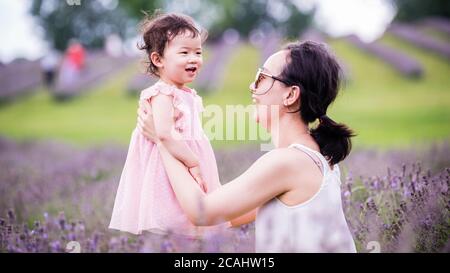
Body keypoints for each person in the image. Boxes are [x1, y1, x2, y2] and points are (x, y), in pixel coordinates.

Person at [137, 40, 358, 252]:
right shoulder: (316, 158)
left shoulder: (288, 162)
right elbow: (221, 218)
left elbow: (201, 213)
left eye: (262, 77)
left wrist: (163, 139)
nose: (252, 86)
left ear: (290, 95)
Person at [109, 12, 228, 237]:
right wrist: (193, 162)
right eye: (184, 52)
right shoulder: (162, 93)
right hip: (169, 169)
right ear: (158, 60)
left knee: (197, 224)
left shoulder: (186, 94)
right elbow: (164, 133)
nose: (194, 58)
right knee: (175, 222)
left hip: (183, 161)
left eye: (198, 52)